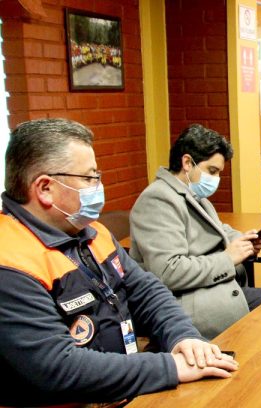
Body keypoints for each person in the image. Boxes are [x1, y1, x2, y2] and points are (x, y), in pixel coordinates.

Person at [0, 119, 237, 406]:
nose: (98, 186)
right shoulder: (10, 261)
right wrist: (171, 367)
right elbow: (56, 367)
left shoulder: (90, 231)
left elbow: (146, 290)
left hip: (124, 388)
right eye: (89, 178)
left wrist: (183, 338)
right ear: (45, 188)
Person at [130, 124, 261, 339]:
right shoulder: (158, 200)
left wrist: (244, 242)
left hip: (217, 289)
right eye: (212, 171)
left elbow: (221, 231)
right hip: (191, 304)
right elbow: (168, 271)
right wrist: (228, 258)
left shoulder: (190, 194)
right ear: (187, 163)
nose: (215, 179)